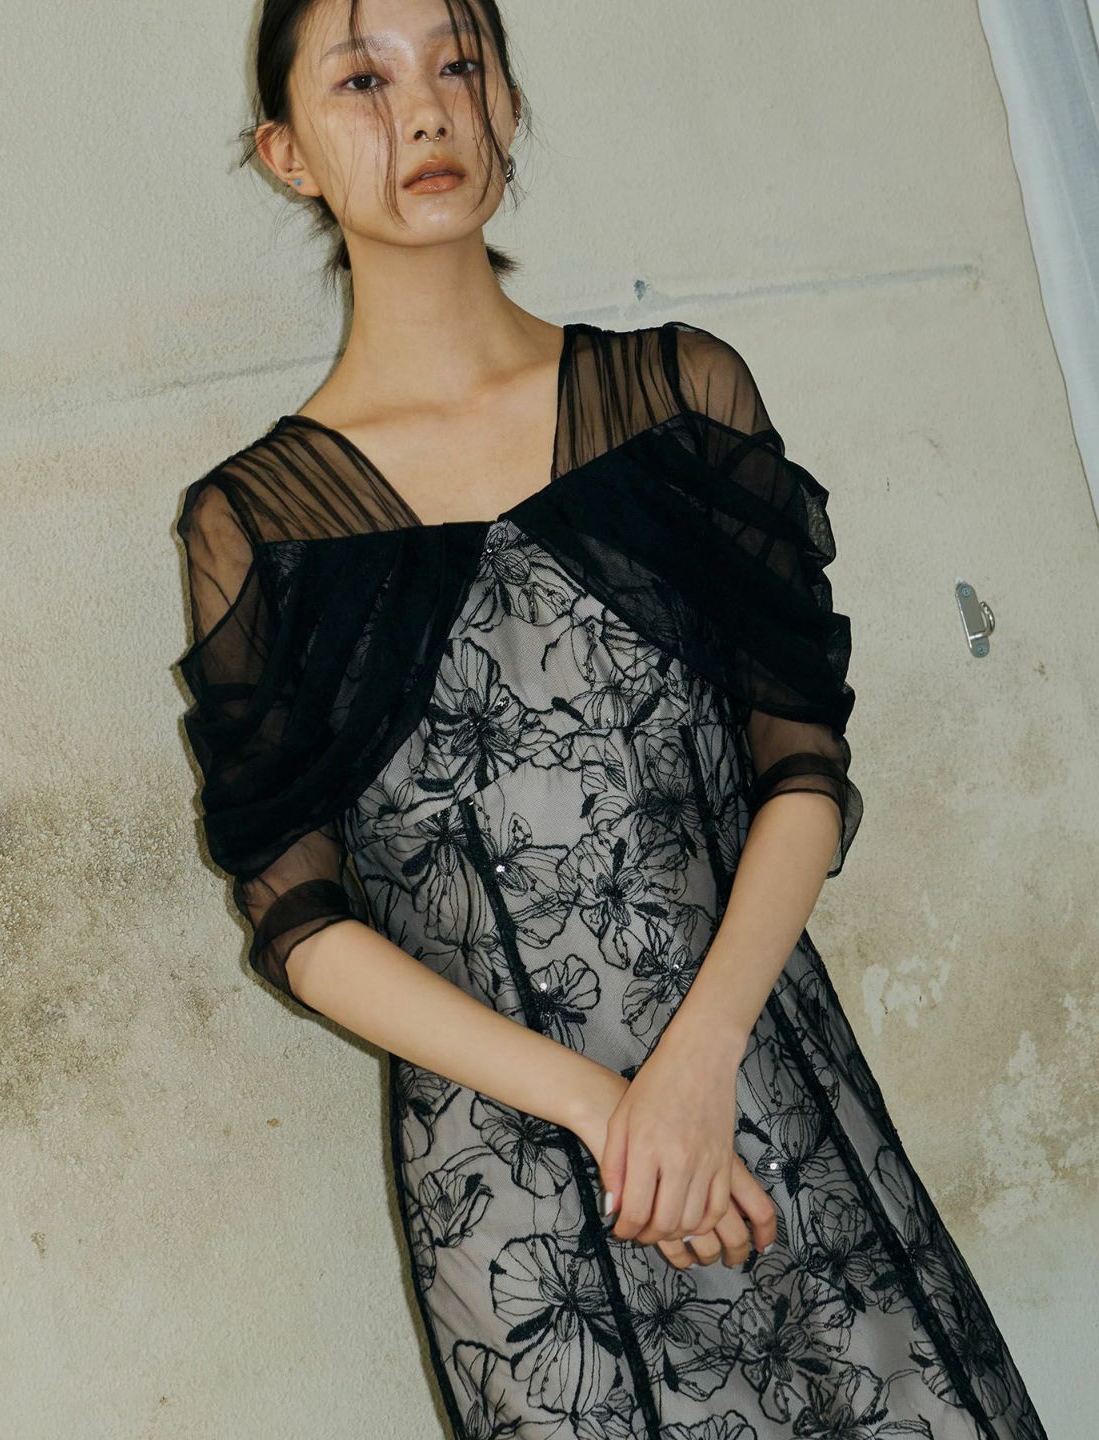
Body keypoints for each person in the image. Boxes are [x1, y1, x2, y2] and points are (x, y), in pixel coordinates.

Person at [171, 1, 1049, 1435]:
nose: (426, 110)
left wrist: (696, 1068)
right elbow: (301, 918)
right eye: (363, 80)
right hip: (512, 1200)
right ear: (286, 152)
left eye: (459, 63)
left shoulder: (677, 399)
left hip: (763, 1100)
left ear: (509, 102)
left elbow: (803, 765)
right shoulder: (254, 526)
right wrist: (604, 1109)